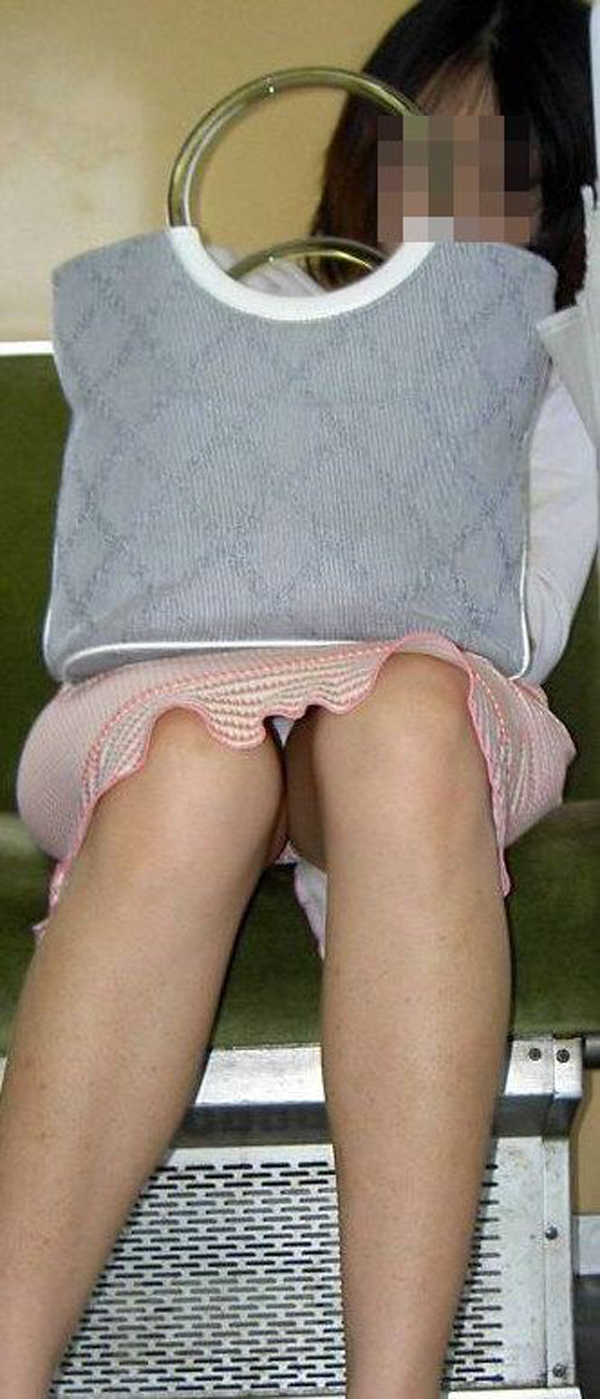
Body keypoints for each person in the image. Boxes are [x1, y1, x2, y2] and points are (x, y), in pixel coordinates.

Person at [0, 0, 597, 1395]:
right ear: (361, 152)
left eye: (501, 171)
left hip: (419, 721)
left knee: (409, 711)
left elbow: (509, 633)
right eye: (420, 153)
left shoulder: (560, 362)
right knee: (195, 761)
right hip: (172, 696)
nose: (449, 202)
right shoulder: (248, 303)